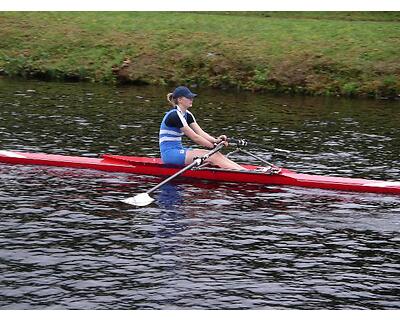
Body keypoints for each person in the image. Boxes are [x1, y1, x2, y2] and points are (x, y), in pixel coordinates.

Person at [159, 86, 246, 170]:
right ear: (180, 100)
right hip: (170, 155)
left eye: (192, 97)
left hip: (179, 150)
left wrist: (216, 141)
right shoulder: (174, 115)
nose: (191, 99)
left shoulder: (187, 114)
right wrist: (214, 146)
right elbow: (195, 137)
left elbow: (200, 133)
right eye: (188, 97)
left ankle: (245, 171)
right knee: (213, 156)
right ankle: (246, 175)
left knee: (217, 154)